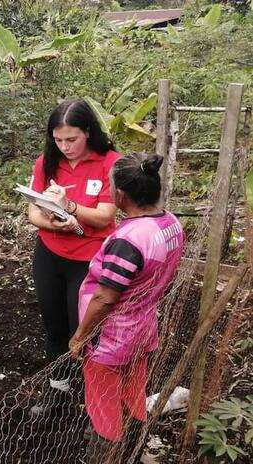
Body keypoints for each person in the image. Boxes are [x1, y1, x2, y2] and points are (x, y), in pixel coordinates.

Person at [69, 153, 185, 463]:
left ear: (120, 195)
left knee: (103, 404)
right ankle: (133, 447)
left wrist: (81, 336)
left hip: (111, 339)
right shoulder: (171, 224)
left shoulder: (128, 240)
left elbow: (106, 298)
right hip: (144, 327)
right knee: (133, 393)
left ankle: (105, 456)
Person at [27, 99, 120, 400]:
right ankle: (58, 386)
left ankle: (89, 388)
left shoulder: (110, 163)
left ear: (89, 133)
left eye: (72, 139)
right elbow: (33, 212)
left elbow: (105, 216)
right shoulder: (47, 162)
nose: (65, 146)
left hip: (88, 259)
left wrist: (69, 207)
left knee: (81, 326)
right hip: (50, 254)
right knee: (53, 323)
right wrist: (55, 226)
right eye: (58, 140)